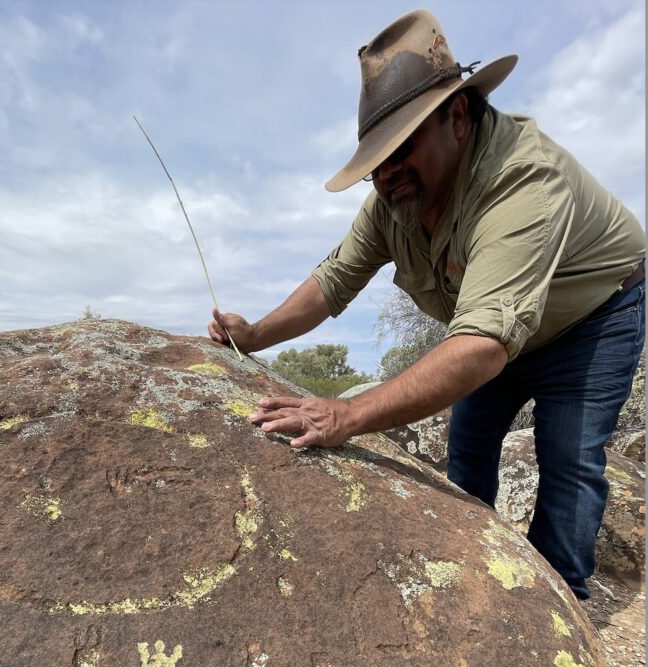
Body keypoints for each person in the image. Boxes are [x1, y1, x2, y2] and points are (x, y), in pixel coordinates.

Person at [207, 9, 645, 599]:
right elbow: (334, 281)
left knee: (568, 462)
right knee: (467, 454)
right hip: (491, 325)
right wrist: (254, 334)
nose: (389, 174)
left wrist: (348, 414)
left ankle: (560, 608)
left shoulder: (522, 180)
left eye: (403, 147)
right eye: (375, 164)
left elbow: (483, 347)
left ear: (457, 117)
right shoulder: (394, 201)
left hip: (592, 316)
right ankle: (466, 581)